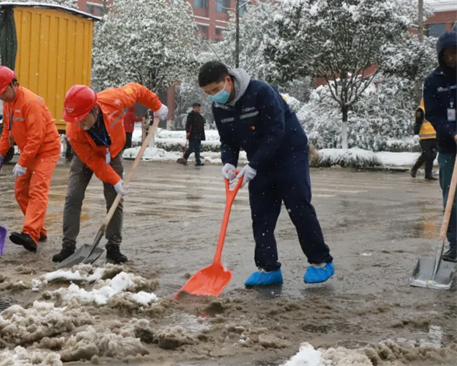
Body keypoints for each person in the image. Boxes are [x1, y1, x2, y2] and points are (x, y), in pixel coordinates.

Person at [198, 61, 334, 286]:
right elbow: (228, 140)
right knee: (261, 213)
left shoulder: (261, 91)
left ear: (228, 80)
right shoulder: (219, 108)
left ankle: (321, 261)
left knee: (298, 206)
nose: (214, 96)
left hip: (289, 152)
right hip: (259, 159)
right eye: (208, 93)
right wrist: (228, 163)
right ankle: (268, 268)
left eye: (216, 90)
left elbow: (276, 130)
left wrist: (253, 165)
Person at [53, 83, 168, 264]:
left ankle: (113, 246)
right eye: (75, 119)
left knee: (115, 198)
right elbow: (93, 161)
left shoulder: (113, 99)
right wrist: (114, 179)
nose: (79, 123)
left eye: (82, 119)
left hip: (112, 154)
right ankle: (68, 246)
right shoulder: (73, 130)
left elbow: (137, 90)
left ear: (94, 109)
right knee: (73, 197)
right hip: (85, 157)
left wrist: (157, 106)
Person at [0, 66, 61, 252]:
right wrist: (0, 151)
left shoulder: (30, 103)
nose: (1, 96)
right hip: (29, 149)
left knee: (37, 189)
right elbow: (8, 130)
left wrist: (22, 162)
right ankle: (39, 230)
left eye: (3, 91)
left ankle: (30, 233)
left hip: (46, 149)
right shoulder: (8, 103)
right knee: (20, 191)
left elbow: (36, 137)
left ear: (14, 84)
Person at [423, 30, 457, 262]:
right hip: (448, 148)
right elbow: (434, 114)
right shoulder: (433, 81)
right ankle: (455, 245)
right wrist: (452, 134)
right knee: (451, 199)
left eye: (455, 54)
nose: (451, 59)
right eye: (447, 55)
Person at [410, 99, 437, 180]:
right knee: (427, 154)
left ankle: (428, 174)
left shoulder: (434, 109)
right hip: (424, 137)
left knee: (432, 155)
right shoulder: (421, 110)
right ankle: (415, 168)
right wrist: (416, 133)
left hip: (435, 136)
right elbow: (417, 123)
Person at [177, 102, 205, 166]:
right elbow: (188, 125)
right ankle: (185, 158)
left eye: (199, 107)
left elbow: (202, 125)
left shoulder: (200, 116)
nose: (199, 109)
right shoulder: (191, 115)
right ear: (194, 108)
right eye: (197, 107)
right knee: (191, 148)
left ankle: (198, 161)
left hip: (199, 134)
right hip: (193, 134)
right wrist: (188, 132)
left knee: (197, 148)